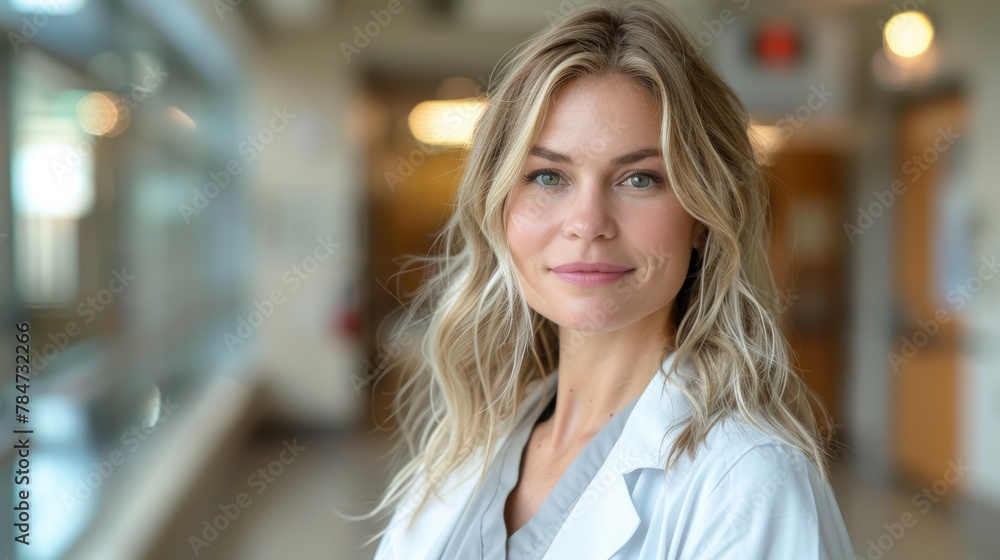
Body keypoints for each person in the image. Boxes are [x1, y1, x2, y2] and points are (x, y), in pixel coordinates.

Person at [351, 2, 856, 558]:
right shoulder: (473, 440)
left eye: (640, 178)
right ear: (499, 209)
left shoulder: (750, 484)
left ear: (703, 217)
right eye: (548, 176)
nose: (587, 223)